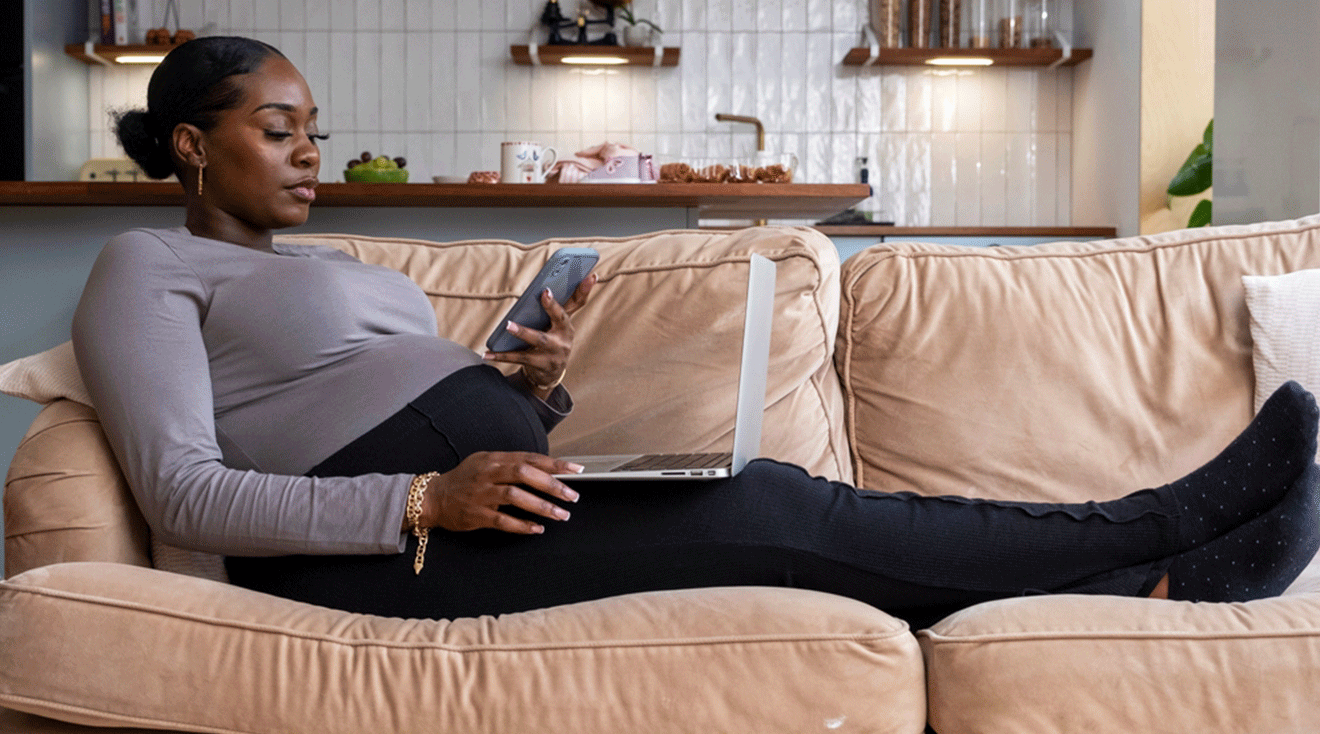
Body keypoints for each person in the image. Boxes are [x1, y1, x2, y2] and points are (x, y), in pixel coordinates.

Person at [73, 37, 1320, 630]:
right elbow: (184, 490)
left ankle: (1155, 581)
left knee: (781, 514)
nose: (310, 153)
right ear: (191, 142)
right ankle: (1166, 517)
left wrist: (527, 386)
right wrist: (418, 502)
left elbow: (382, 395)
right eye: (280, 128)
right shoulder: (146, 263)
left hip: (497, 507)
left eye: (314, 129)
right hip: (379, 557)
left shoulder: (322, 265)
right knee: (783, 511)